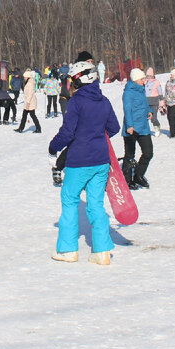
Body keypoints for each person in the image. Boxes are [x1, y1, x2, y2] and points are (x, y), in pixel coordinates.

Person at [48, 60, 120, 265]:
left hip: (79, 160)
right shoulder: (103, 101)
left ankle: (68, 250)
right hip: (101, 160)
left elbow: (67, 132)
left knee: (70, 200)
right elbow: (113, 128)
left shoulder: (76, 102)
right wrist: (95, 134)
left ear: (78, 80)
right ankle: (102, 251)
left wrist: (53, 147)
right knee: (96, 204)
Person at [122, 68, 154, 189]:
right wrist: (129, 126)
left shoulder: (141, 90)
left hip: (143, 126)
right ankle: (127, 180)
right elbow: (127, 109)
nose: (144, 81)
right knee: (130, 155)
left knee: (148, 153)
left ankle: (138, 176)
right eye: (142, 79)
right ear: (135, 79)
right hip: (132, 127)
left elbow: (145, 103)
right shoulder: (128, 92)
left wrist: (149, 111)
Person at [15, 69, 41, 133]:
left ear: (28, 77)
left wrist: (28, 103)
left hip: (30, 102)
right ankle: (21, 128)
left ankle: (38, 128)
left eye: (25, 77)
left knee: (32, 115)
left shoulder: (30, 83)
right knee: (25, 115)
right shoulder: (29, 82)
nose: (24, 78)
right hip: (28, 101)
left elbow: (30, 93)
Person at [143, 67, 163, 133]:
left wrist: (161, 99)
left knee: (154, 117)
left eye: (149, 76)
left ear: (152, 75)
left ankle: (157, 128)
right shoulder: (145, 82)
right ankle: (155, 126)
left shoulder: (156, 82)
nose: (148, 77)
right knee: (149, 117)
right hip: (147, 102)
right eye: (147, 76)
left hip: (154, 102)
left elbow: (160, 91)